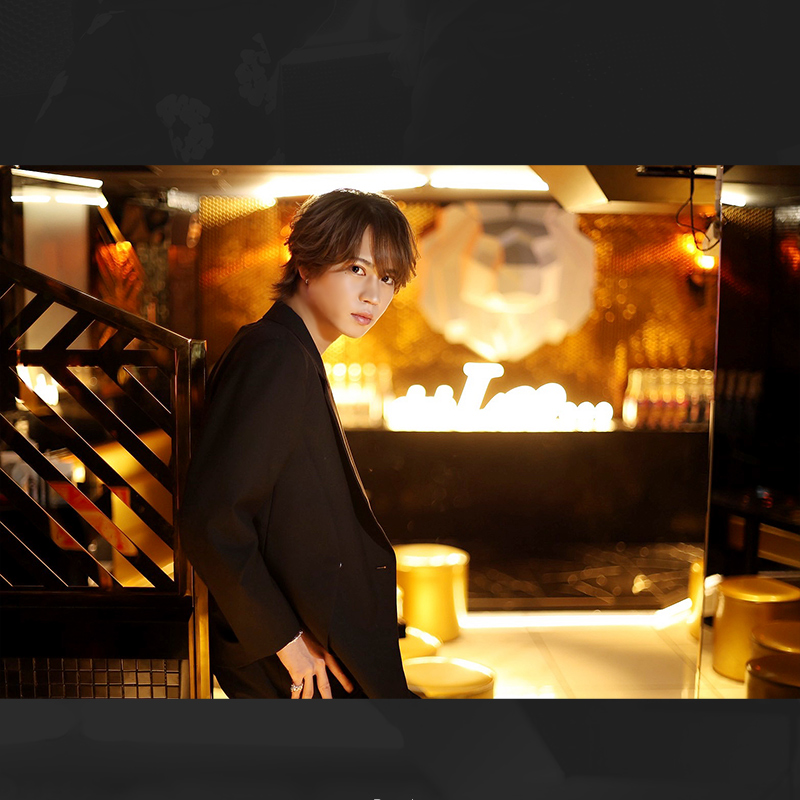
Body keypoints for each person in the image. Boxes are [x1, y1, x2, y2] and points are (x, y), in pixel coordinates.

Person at [179, 188, 420, 699]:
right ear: (307, 265)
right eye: (357, 268)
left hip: (308, 632)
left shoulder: (291, 350)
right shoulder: (275, 355)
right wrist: (287, 641)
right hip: (287, 658)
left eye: (387, 278)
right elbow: (212, 518)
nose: (373, 295)